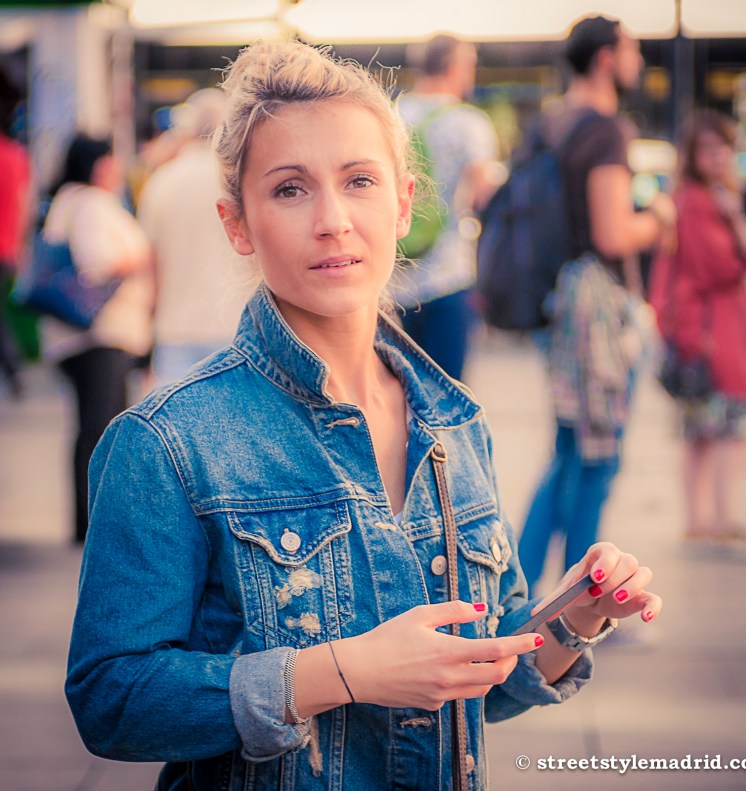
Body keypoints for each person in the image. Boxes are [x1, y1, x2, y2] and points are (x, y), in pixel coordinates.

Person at [65, 41, 661, 791]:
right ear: (237, 223)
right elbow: (110, 700)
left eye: (358, 180)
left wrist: (572, 618)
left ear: (403, 202)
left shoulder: (453, 422)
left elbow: (483, 676)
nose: (333, 220)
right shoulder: (168, 443)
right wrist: (337, 672)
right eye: (289, 189)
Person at [516, 15, 676, 591]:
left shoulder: (549, 122)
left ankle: (518, 590)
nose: (639, 61)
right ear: (608, 56)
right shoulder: (605, 129)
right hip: (596, 314)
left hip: (556, 307)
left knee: (566, 455)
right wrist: (657, 217)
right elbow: (612, 234)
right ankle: (585, 598)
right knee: (596, 459)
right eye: (632, 49)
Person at [650, 110, 746, 557]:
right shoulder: (698, 202)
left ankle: (700, 523)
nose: (718, 157)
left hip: (703, 328)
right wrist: (737, 224)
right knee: (726, 427)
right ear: (694, 156)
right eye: (708, 149)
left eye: (723, 148)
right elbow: (727, 263)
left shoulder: (703, 197)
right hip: (713, 330)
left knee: (701, 430)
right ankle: (719, 520)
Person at [40, 135, 153, 543]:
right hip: (98, 336)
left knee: (93, 428)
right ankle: (93, 523)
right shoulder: (89, 205)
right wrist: (144, 256)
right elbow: (97, 262)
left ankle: (87, 521)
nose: (116, 168)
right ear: (95, 164)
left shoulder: (70, 201)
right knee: (101, 430)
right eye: (110, 160)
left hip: (86, 338)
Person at [393, 34, 501, 381]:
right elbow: (484, 194)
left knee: (401, 393)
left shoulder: (392, 116)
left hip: (394, 279)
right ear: (455, 67)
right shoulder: (469, 122)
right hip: (448, 275)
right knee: (447, 391)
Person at [137, 88, 252, 387]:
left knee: (172, 427)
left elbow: (149, 264)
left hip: (175, 329)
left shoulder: (161, 182)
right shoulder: (240, 182)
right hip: (236, 325)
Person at [0, 64, 32, 399]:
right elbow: (24, 207)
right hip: (8, 246)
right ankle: (13, 369)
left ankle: (13, 369)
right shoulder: (17, 156)